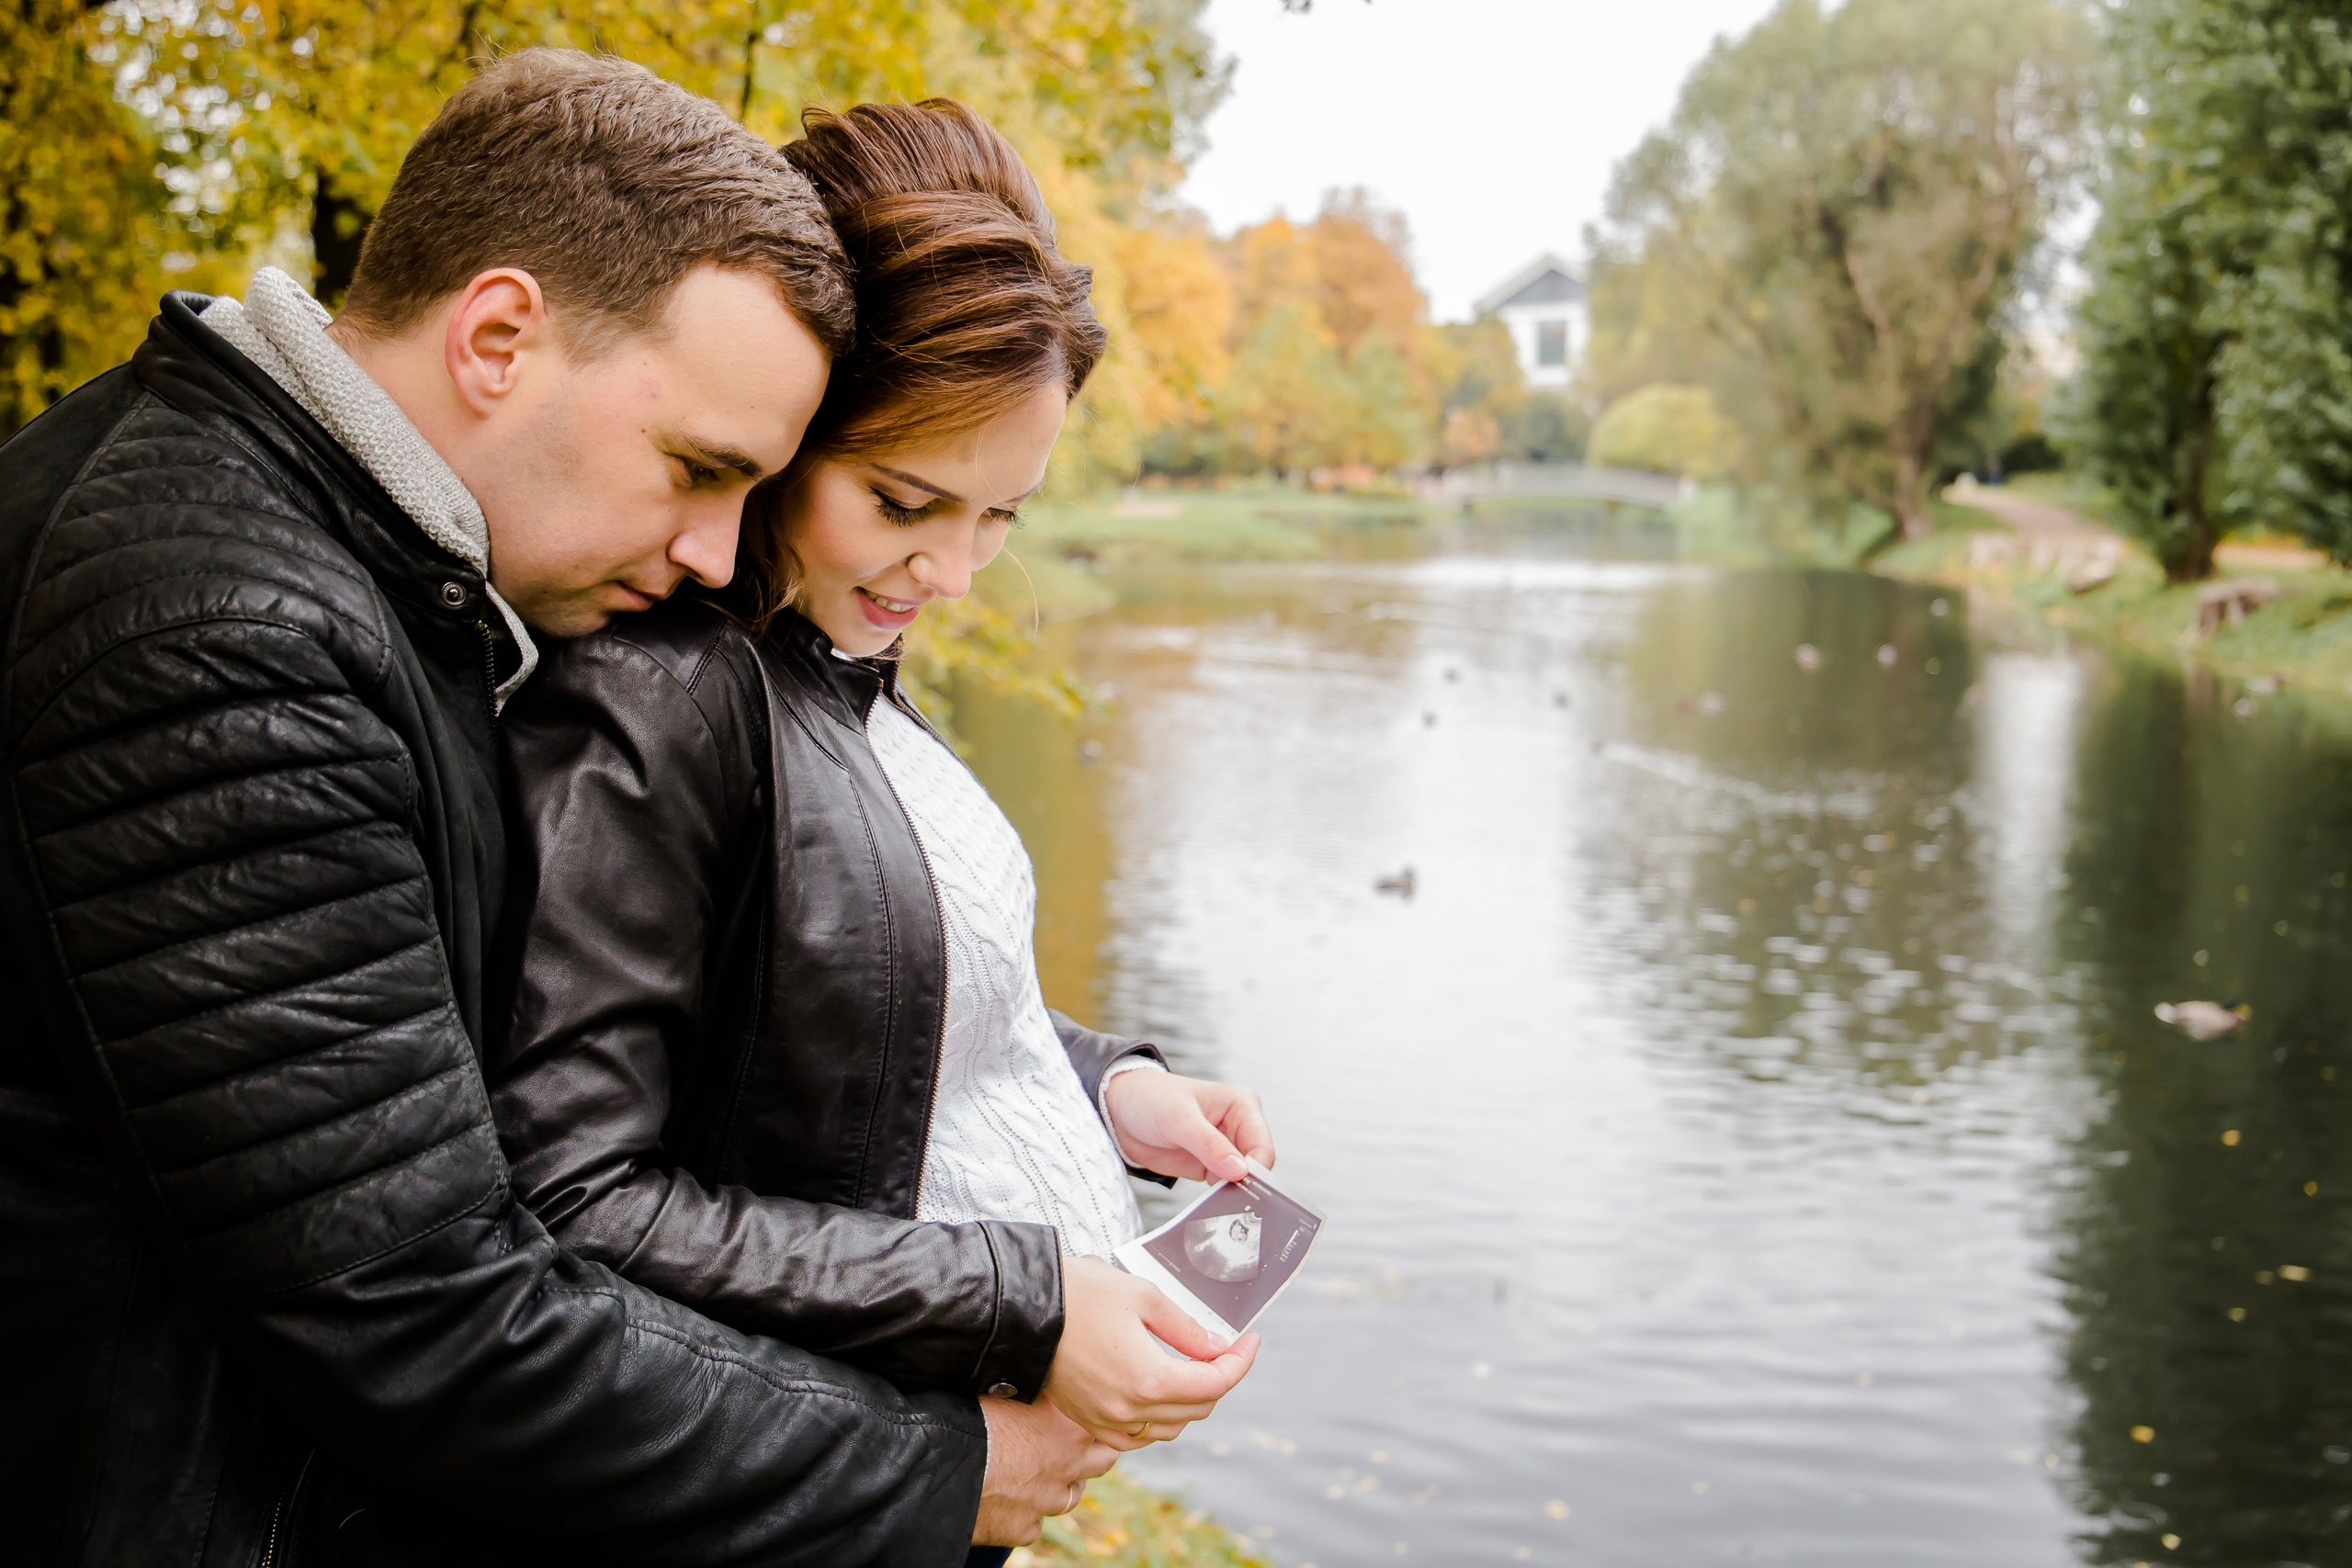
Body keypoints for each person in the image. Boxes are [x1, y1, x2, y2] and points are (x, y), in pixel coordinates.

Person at [0, 50, 1095, 1566]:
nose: (722, 555)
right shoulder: (223, 636)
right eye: (698, 469)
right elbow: (419, 1302)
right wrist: (934, 1470)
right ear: (500, 336)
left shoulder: (352, 569)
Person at [489, 100, 1277, 1560]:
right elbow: (578, 1196)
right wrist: (1025, 1300)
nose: (957, 571)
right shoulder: (662, 699)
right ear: (787, 428)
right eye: (909, 501)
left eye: (1001, 519)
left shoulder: (837, 661)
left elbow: (833, 994)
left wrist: (1105, 1090)